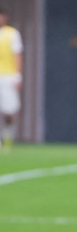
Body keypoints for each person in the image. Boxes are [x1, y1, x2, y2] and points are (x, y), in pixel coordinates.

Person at [0, 9, 24, 150]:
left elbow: (17, 55)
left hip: (8, 76)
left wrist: (17, 75)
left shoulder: (12, 33)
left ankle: (7, 135)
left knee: (9, 109)